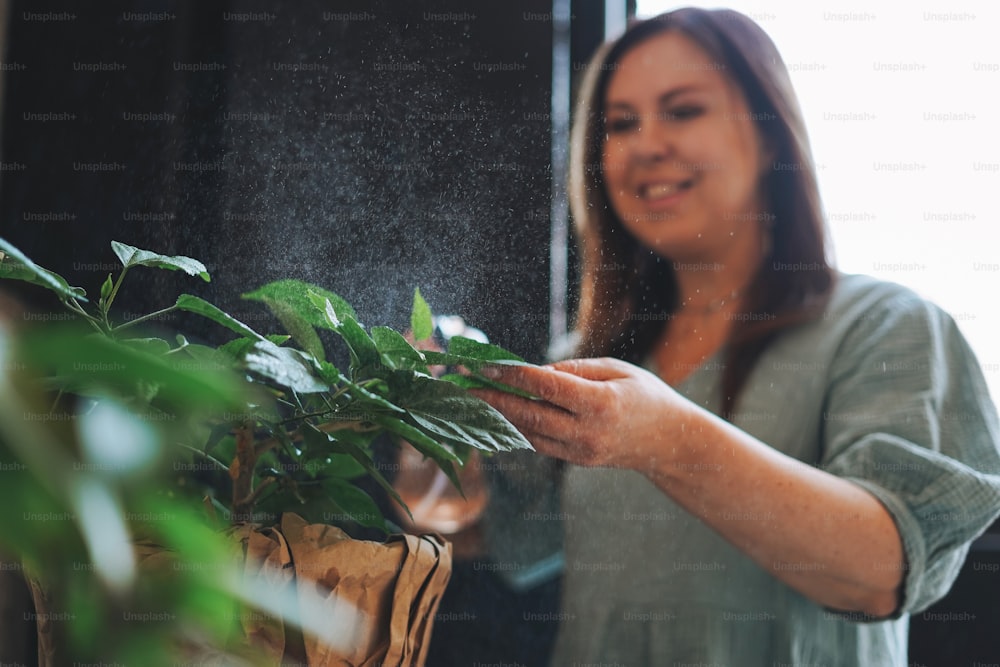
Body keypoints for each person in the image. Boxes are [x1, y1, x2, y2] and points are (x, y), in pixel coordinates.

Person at [471, 7, 1000, 666]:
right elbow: (517, 545)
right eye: (621, 123)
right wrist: (430, 427)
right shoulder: (585, 364)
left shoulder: (886, 326)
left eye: (684, 110)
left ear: (771, 133)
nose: (647, 144)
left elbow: (885, 568)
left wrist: (665, 437)